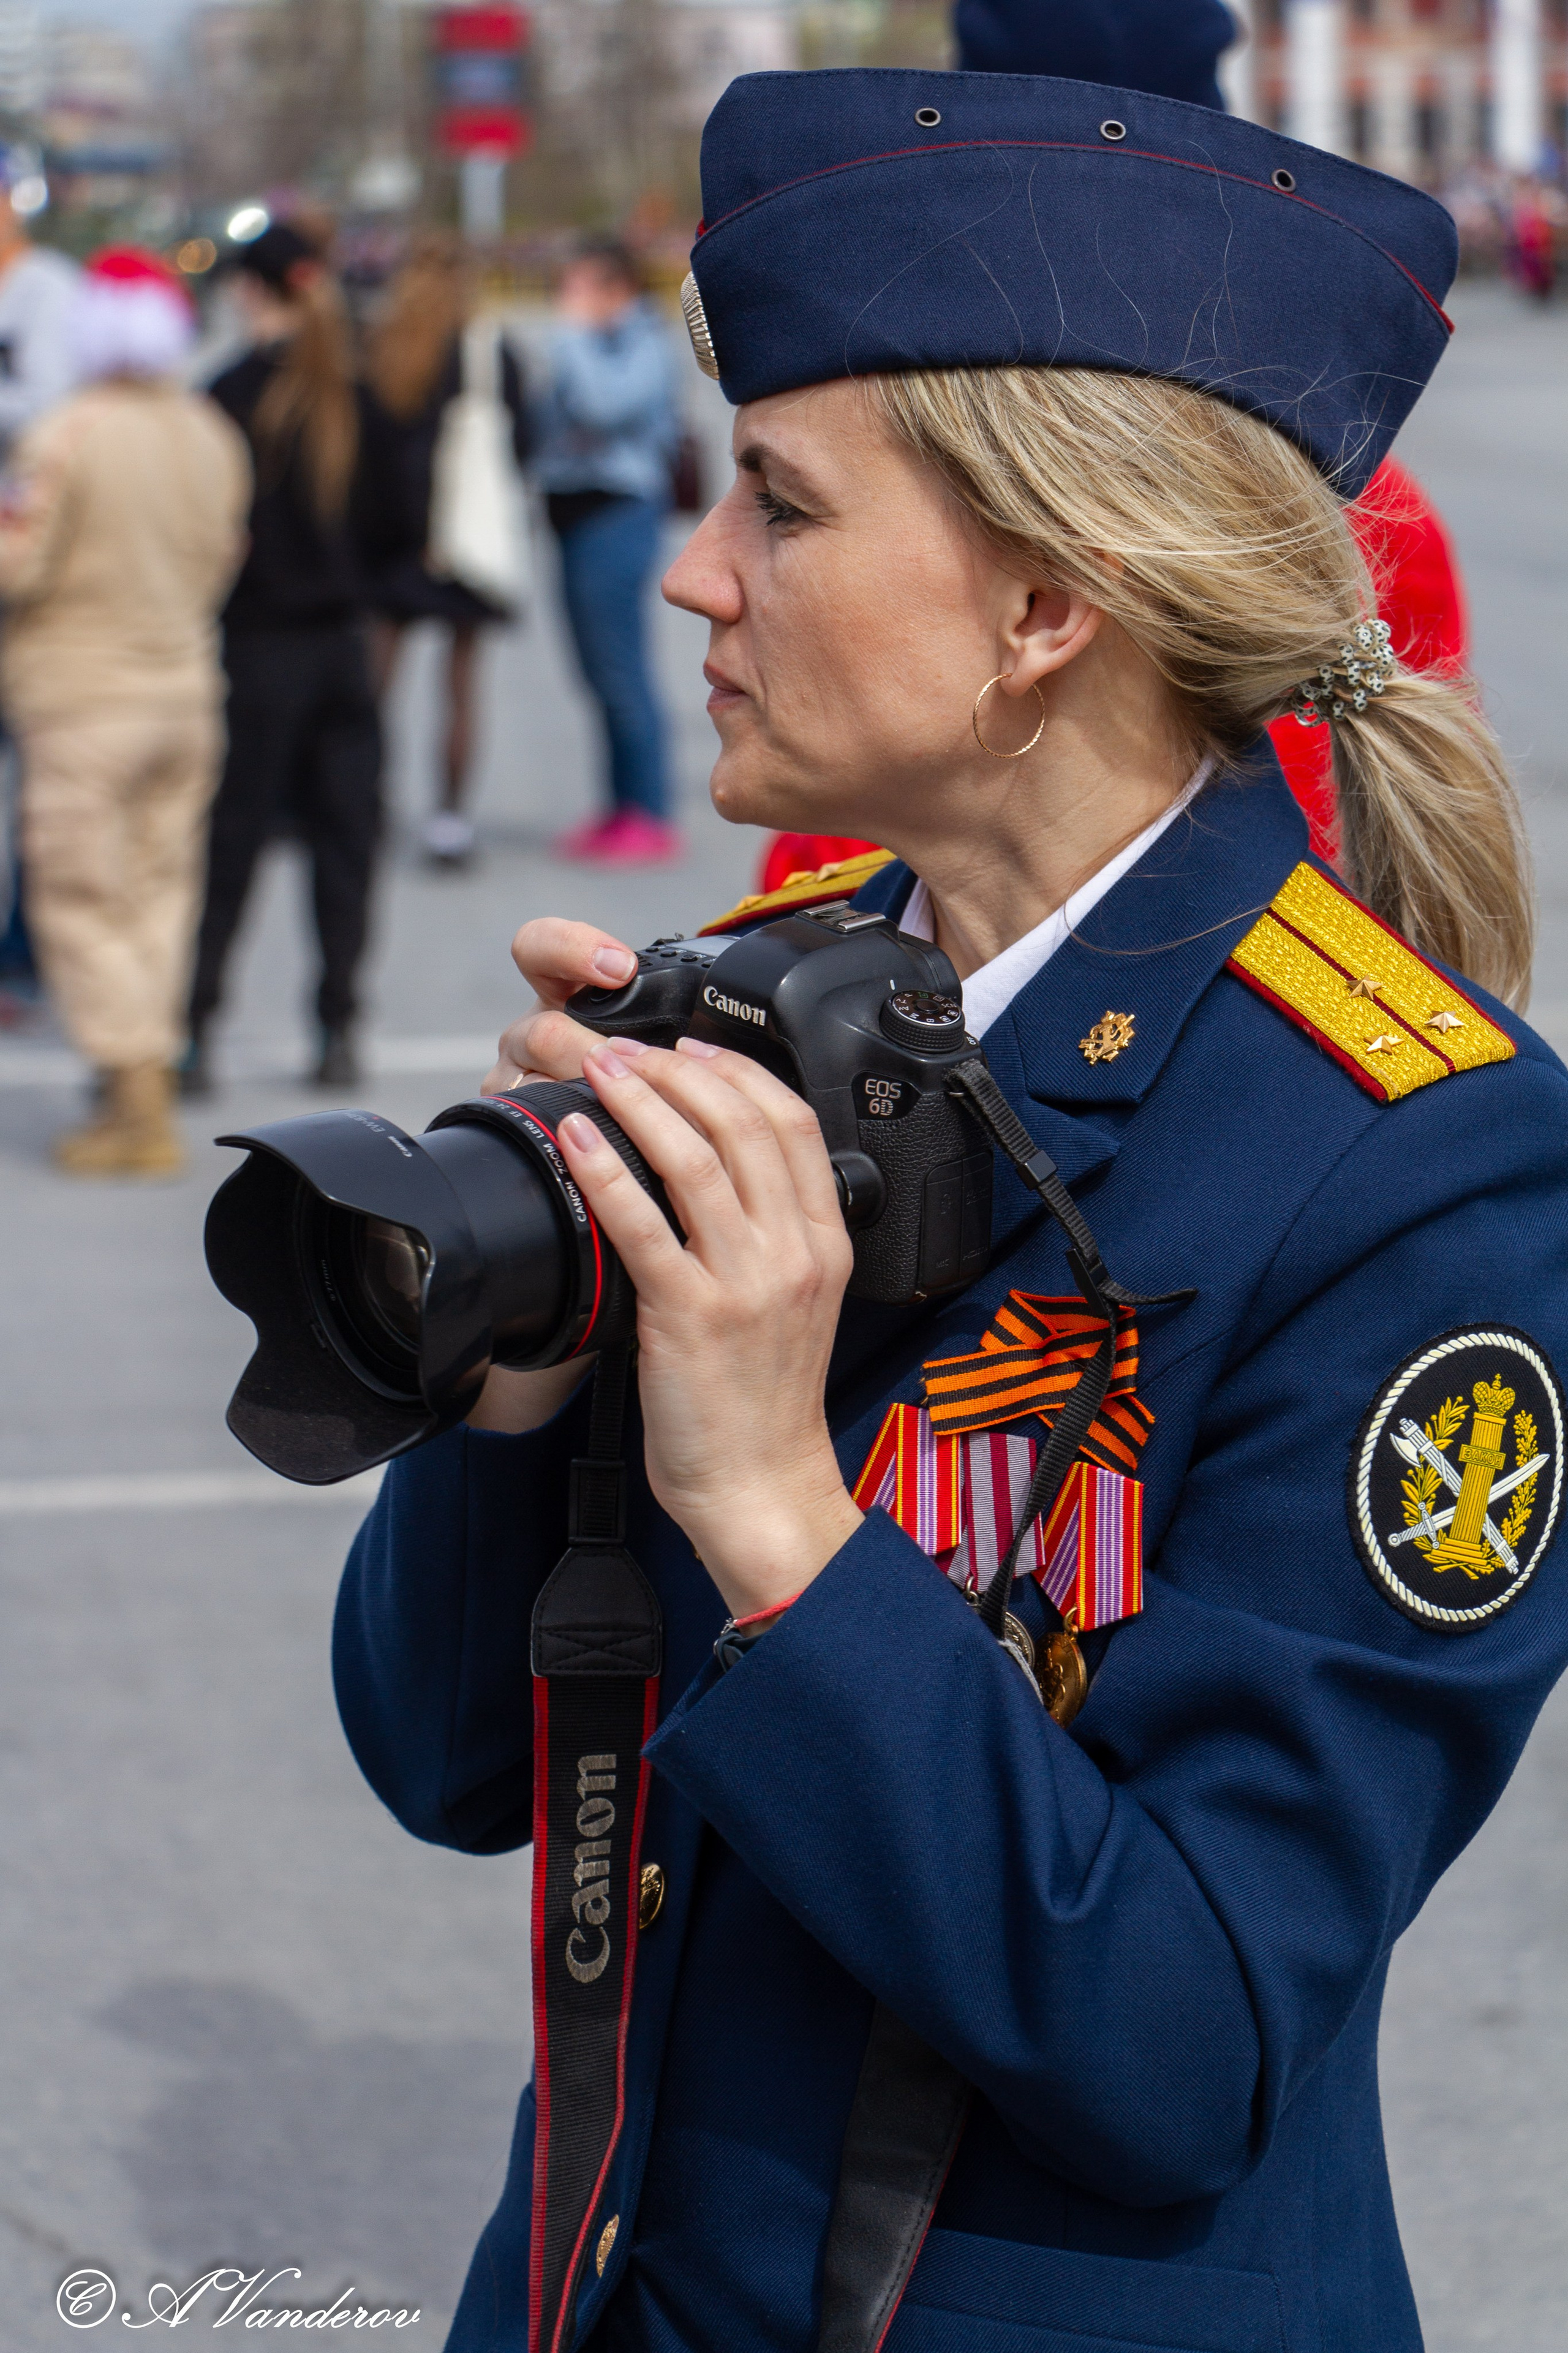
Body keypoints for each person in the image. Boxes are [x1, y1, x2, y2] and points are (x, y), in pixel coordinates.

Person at [332, 67, 1568, 2353]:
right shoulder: (770, 987)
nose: (694, 570)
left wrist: (781, 1520)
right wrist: (514, 1386)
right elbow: (440, 1764)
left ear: (1034, 609)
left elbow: (1182, 2038)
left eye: (779, 507)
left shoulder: (1410, 1158)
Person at [757, 0, 1469, 893]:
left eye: (778, 508)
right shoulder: (1376, 501)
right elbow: (1405, 794)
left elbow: (827, 829)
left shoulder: (894, 468)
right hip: (1291, 952)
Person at [0, 247, 248, 1175]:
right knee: (159, 891)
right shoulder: (207, 432)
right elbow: (227, 553)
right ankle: (141, 1072)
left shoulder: (66, 433)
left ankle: (132, 1096)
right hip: (186, 692)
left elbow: (16, 563)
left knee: (81, 898)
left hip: (81, 699)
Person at [184, 222, 382, 1095]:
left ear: (250, 291)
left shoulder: (225, 394)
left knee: (230, 846)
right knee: (345, 848)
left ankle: (194, 1032)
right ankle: (336, 1028)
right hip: (345, 648)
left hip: (258, 650)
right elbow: (400, 526)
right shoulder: (359, 393)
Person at [361, 233, 532, 869]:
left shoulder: (384, 348)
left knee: (375, 681)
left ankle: (362, 803)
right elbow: (522, 446)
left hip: (393, 542)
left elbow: (367, 452)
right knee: (461, 685)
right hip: (465, 538)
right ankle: (450, 821)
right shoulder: (490, 353)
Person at [537, 236, 680, 867]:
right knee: (596, 668)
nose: (567, 302)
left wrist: (569, 338)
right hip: (572, 510)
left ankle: (649, 811)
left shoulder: (645, 342)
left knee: (622, 668)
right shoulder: (590, 344)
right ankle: (619, 805)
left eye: (579, 287)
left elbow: (603, 406)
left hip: (617, 513)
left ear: (616, 288)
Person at [0, 148, 78, 1007]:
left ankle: (23, 944)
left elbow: (53, 411)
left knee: (43, 768)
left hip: (31, 563)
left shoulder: (48, 289)